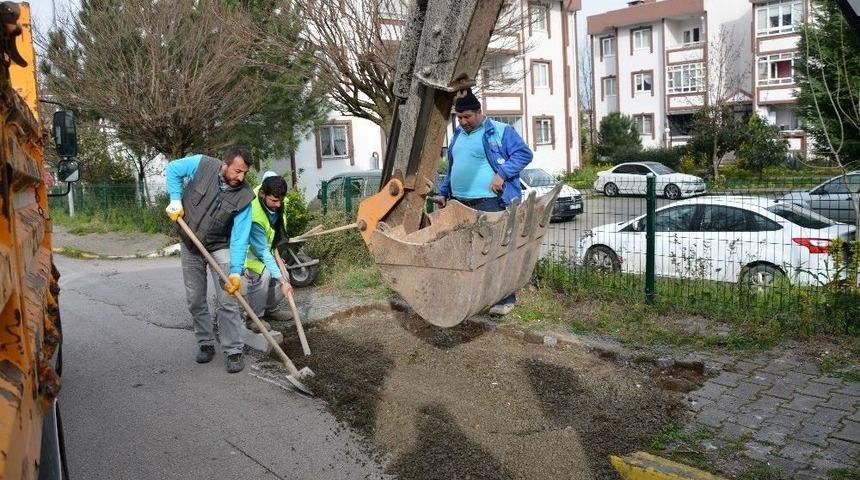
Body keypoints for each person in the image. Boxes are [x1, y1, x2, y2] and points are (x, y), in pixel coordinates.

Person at [437, 88, 533, 316]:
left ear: (480, 112)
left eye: (467, 117)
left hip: (490, 203)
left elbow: (524, 154)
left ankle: (505, 299)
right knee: (465, 253)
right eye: (459, 118)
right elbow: (453, 168)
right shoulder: (458, 136)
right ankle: (474, 297)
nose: (462, 121)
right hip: (460, 204)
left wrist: (502, 174)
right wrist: (444, 192)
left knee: (495, 251)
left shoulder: (500, 131)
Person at [165, 147, 254, 374]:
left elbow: (240, 237)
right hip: (190, 242)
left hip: (219, 246)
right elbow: (174, 169)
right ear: (224, 163)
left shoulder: (244, 196)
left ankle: (234, 350)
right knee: (195, 299)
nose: (240, 178)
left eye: (244, 173)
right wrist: (175, 200)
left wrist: (235, 271)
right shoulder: (202, 164)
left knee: (227, 299)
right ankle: (205, 342)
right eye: (237, 171)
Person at [244, 171, 294, 333]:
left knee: (285, 274)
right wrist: (282, 282)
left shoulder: (274, 193)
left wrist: (282, 277)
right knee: (265, 275)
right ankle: (254, 318)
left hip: (267, 246)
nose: (278, 205)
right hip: (248, 251)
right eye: (274, 201)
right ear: (262, 195)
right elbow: (263, 253)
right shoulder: (255, 215)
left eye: (280, 200)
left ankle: (270, 310)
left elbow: (270, 174)